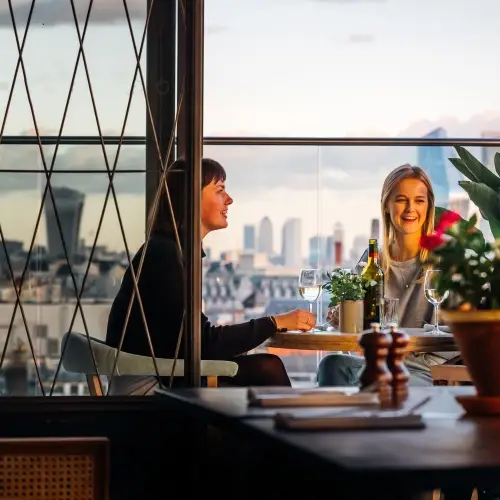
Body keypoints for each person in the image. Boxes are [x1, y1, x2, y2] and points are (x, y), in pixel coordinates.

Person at [106, 157, 315, 390]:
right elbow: (203, 343)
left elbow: (194, 340)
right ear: (190, 197)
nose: (229, 199)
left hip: (164, 371)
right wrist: (276, 322)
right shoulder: (165, 255)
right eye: (220, 190)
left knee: (267, 368)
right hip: (153, 382)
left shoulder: (168, 250)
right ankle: (290, 425)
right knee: (268, 368)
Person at [317, 164, 459, 387]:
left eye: (419, 201)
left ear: (429, 207)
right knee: (331, 364)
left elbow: (465, 329)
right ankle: (340, 421)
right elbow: (357, 324)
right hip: (378, 363)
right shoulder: (373, 258)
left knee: (387, 381)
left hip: (424, 368)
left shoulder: (448, 255)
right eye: (401, 199)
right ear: (386, 206)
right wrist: (342, 317)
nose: (410, 208)